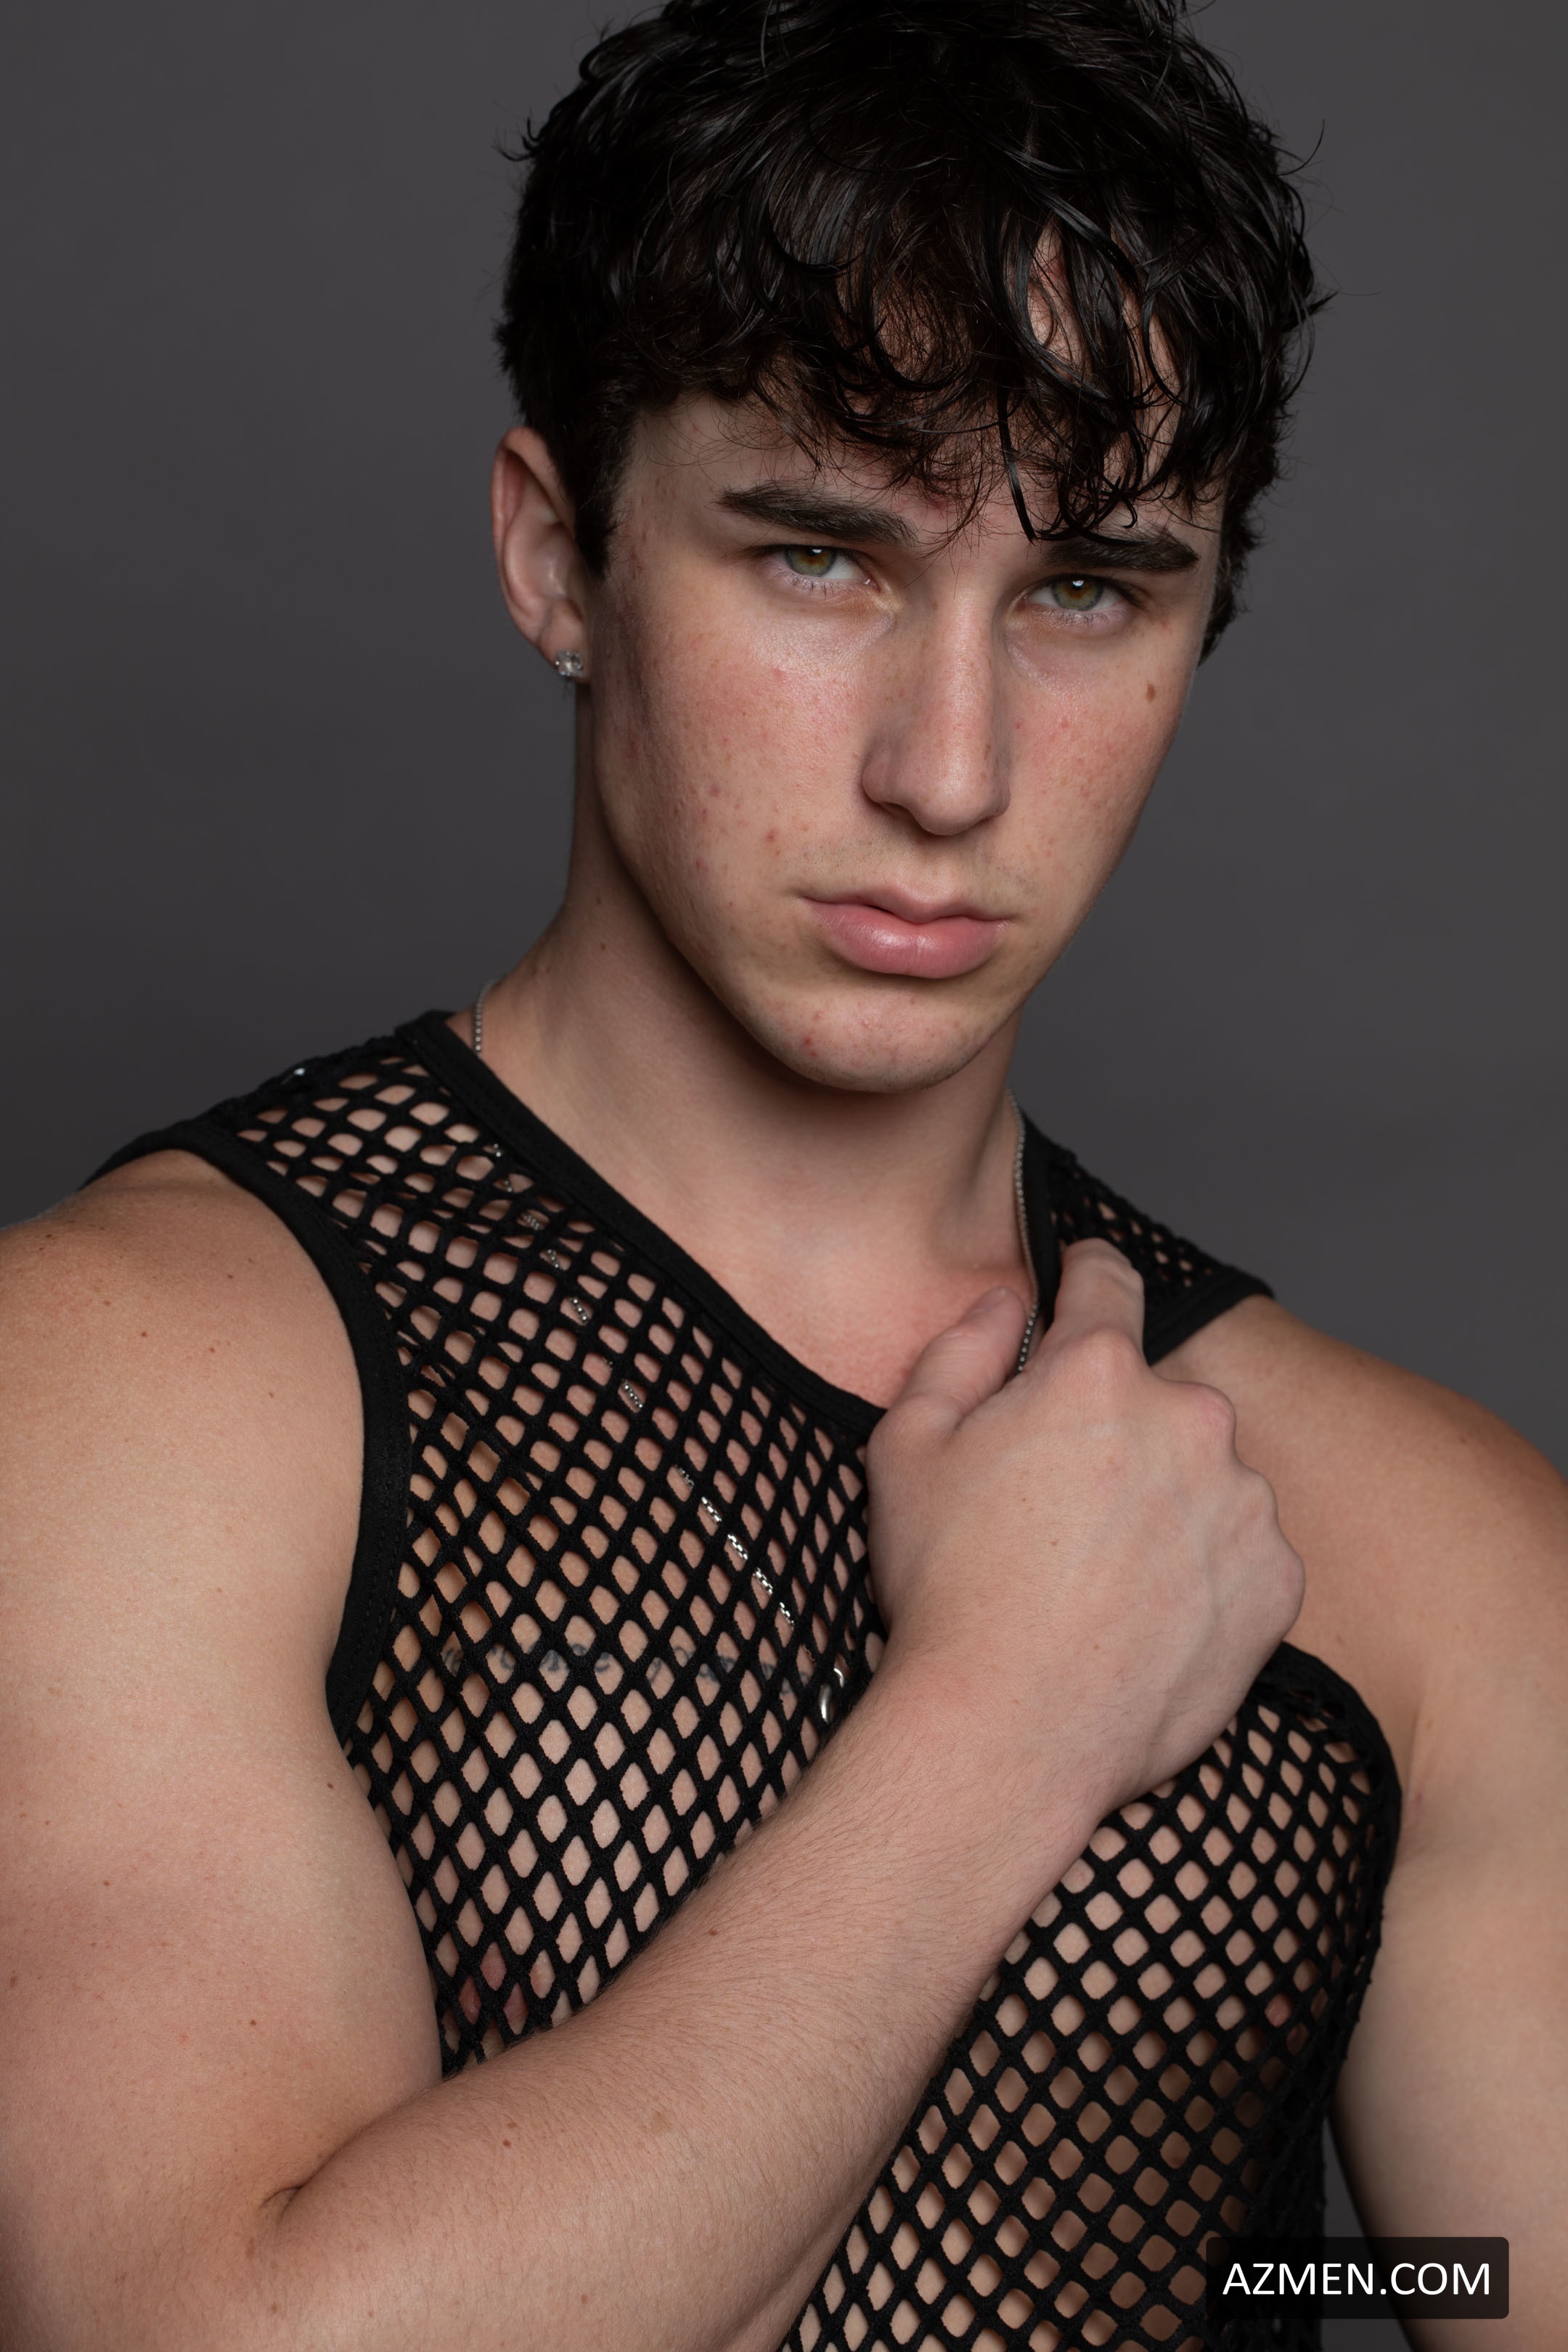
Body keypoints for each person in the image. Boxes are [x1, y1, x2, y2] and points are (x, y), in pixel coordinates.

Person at [1, 0, 1562, 2343]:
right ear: (560, 554)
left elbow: (1476, 2276)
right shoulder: (136, 1389)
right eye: (821, 557)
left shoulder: (1423, 1548)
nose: (952, 769)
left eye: (1088, 589)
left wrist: (1276, 2277)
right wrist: (1002, 1725)